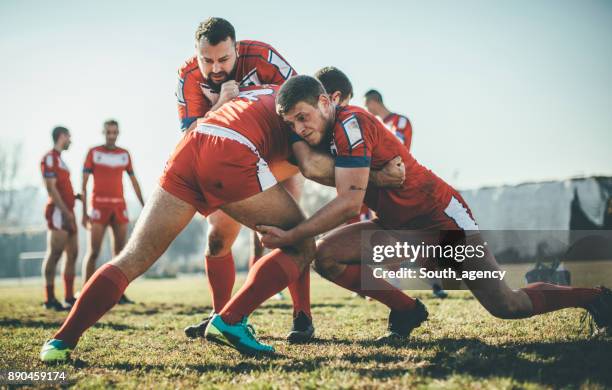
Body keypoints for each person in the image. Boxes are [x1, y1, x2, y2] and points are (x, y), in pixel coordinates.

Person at [39, 85, 405, 361]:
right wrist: (374, 177)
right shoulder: (300, 107)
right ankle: (230, 319)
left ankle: (60, 342)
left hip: (190, 145)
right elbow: (311, 167)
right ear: (327, 99)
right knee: (302, 244)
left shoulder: (267, 92)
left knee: (134, 255)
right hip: (228, 152)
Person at [255, 75, 611, 344]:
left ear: (325, 101)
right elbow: (327, 174)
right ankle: (407, 311)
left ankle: (595, 297)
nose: (300, 129)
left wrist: (292, 234)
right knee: (327, 257)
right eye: (292, 125)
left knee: (506, 304)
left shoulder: (351, 122)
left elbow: (349, 201)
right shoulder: (325, 135)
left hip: (440, 218)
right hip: (397, 226)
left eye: (303, 118)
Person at [177, 17, 309, 341]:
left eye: (224, 58)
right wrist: (221, 104)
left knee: (291, 232)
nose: (216, 67)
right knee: (217, 237)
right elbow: (190, 141)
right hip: (233, 162)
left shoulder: (263, 58)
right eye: (207, 60)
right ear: (196, 54)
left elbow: (302, 106)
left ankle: (302, 316)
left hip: (279, 153)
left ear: (237, 48)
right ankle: (219, 317)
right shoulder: (188, 76)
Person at [316, 67, 448, 300]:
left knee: (409, 236)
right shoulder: (356, 123)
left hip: (397, 184)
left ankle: (434, 280)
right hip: (370, 183)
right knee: (368, 232)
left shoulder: (396, 121)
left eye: (367, 105)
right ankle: (380, 283)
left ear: (374, 102)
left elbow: (395, 149)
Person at [81, 119, 144, 304]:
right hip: (98, 206)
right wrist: (83, 212)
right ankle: (85, 293)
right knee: (94, 252)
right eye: (108, 132)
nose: (111, 136)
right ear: (103, 132)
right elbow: (83, 185)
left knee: (120, 254)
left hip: (119, 207)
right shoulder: (93, 153)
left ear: (118, 133)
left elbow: (134, 182)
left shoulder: (124, 154)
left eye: (114, 132)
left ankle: (118, 294)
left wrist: (144, 206)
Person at [40, 126, 78, 311]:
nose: (71, 139)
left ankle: (69, 297)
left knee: (73, 253)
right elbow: (50, 188)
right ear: (62, 136)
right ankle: (49, 299)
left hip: (69, 211)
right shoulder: (49, 157)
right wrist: (64, 211)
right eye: (69, 136)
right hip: (58, 211)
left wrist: (75, 196)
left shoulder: (61, 160)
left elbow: (62, 186)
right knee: (55, 254)